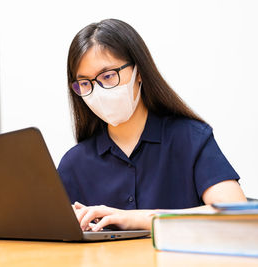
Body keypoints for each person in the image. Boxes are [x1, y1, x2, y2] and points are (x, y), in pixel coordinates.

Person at [57, 18, 247, 232]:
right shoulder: (74, 163)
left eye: (108, 76)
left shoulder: (190, 138)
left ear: (139, 73)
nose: (98, 91)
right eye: (85, 83)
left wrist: (137, 219)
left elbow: (236, 213)